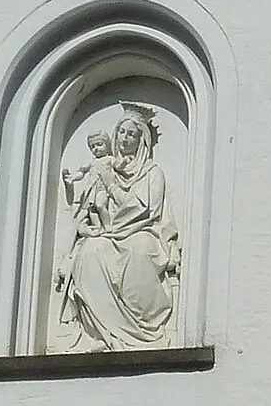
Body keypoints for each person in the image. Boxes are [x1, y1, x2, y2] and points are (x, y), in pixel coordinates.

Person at [52, 105, 181, 350]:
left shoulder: (152, 172)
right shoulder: (105, 167)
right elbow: (86, 206)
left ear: (141, 140)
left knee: (138, 249)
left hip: (142, 231)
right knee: (90, 251)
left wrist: (111, 185)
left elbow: (144, 210)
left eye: (132, 134)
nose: (125, 138)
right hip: (107, 233)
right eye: (122, 132)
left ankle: (142, 331)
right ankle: (104, 332)